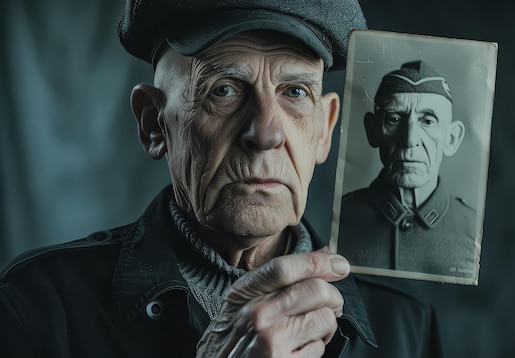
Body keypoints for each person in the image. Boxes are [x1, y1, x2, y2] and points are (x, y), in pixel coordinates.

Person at [0, 1, 442, 357]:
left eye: (295, 92)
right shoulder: (34, 310)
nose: (265, 133)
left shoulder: (407, 329)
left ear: (324, 130)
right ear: (155, 124)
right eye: (224, 89)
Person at [338, 60, 478, 278]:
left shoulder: (474, 230)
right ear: (373, 131)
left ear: (451, 138)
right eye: (394, 119)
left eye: (428, 121)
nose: (410, 139)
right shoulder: (340, 218)